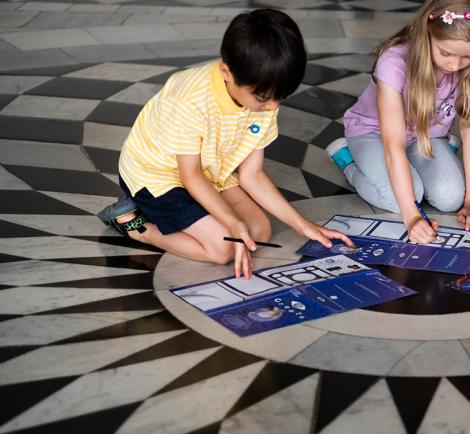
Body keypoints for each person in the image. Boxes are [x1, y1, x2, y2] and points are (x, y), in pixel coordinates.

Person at [97, 9, 352, 279]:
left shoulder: (265, 95)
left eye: (282, 97)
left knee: (259, 231)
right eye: (264, 98)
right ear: (226, 71)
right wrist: (231, 223)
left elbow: (252, 175)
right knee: (222, 248)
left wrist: (303, 226)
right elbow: (190, 175)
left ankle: (199, 223)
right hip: (157, 175)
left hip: (210, 171)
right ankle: (137, 226)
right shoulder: (189, 99)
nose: (273, 107)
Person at [327, 0, 470, 243]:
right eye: (445, 53)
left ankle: (430, 158)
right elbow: (392, 146)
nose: (454, 65)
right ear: (427, 33)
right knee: (401, 198)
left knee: (451, 198)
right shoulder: (393, 62)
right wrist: (411, 217)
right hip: (374, 134)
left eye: (467, 57)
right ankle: (348, 160)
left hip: (427, 137)